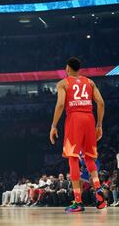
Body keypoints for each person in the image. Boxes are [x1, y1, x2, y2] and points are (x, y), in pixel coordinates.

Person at [50, 57, 106, 212]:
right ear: (79, 69)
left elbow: (61, 104)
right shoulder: (90, 82)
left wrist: (54, 126)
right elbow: (101, 103)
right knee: (89, 158)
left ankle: (78, 202)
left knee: (73, 159)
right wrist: (99, 125)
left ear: (67, 68)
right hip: (89, 118)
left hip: (74, 119)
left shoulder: (63, 83)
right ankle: (99, 190)